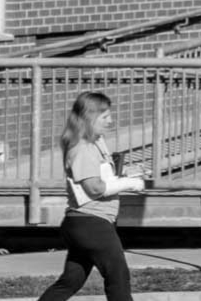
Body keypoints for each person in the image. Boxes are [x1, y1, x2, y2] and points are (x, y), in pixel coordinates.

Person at [38, 90, 143, 301]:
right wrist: (130, 184)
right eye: (104, 117)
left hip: (85, 224)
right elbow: (94, 188)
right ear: (89, 117)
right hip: (92, 224)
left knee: (71, 281)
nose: (110, 121)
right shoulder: (82, 148)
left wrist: (125, 175)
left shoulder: (95, 142)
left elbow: (101, 177)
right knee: (118, 278)